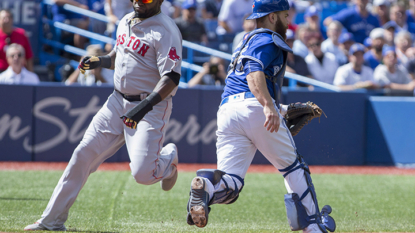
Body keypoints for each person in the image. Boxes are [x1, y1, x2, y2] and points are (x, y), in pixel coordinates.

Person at [24, 0, 182, 230]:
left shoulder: (165, 30)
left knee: (143, 174)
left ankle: (168, 159)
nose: (138, 1)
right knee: (83, 153)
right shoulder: (126, 20)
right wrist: (100, 60)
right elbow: (118, 57)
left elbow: (171, 78)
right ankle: (52, 221)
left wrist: (144, 107)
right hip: (117, 101)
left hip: (150, 107)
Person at [185, 1, 336, 232]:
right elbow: (254, 74)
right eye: (286, 16)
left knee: (231, 186)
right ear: (273, 17)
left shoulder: (245, 40)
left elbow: (246, 87)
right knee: (293, 167)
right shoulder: (266, 38)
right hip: (254, 106)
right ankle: (314, 225)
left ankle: (205, 186)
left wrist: (280, 109)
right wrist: (268, 106)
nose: (289, 21)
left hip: (228, 110)